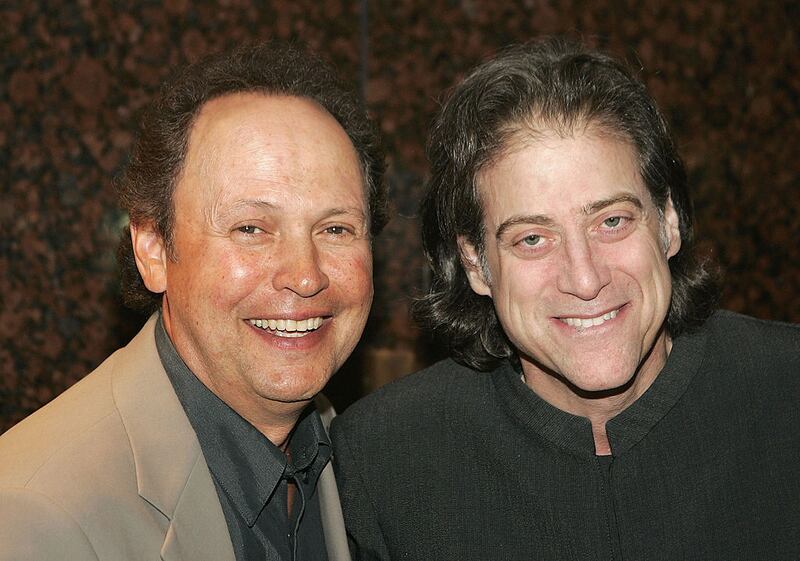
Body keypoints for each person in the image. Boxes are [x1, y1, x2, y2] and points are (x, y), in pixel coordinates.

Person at [330, 37, 800, 560]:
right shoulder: (386, 461)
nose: (584, 278)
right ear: (475, 264)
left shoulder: (788, 391)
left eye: (613, 221)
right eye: (532, 238)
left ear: (667, 222)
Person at [0, 41, 387, 561]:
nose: (304, 275)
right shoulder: (34, 514)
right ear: (153, 249)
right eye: (251, 228)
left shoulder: (364, 459)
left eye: (336, 228)